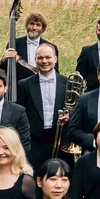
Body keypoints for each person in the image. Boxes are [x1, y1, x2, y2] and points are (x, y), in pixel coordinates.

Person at [14, 41, 70, 169]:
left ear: (55, 59)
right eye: (40, 58)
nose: (44, 61)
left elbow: (76, 109)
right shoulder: (24, 84)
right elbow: (20, 114)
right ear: (35, 59)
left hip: (61, 141)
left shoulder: (67, 83)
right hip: (34, 143)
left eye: (48, 57)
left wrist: (69, 115)